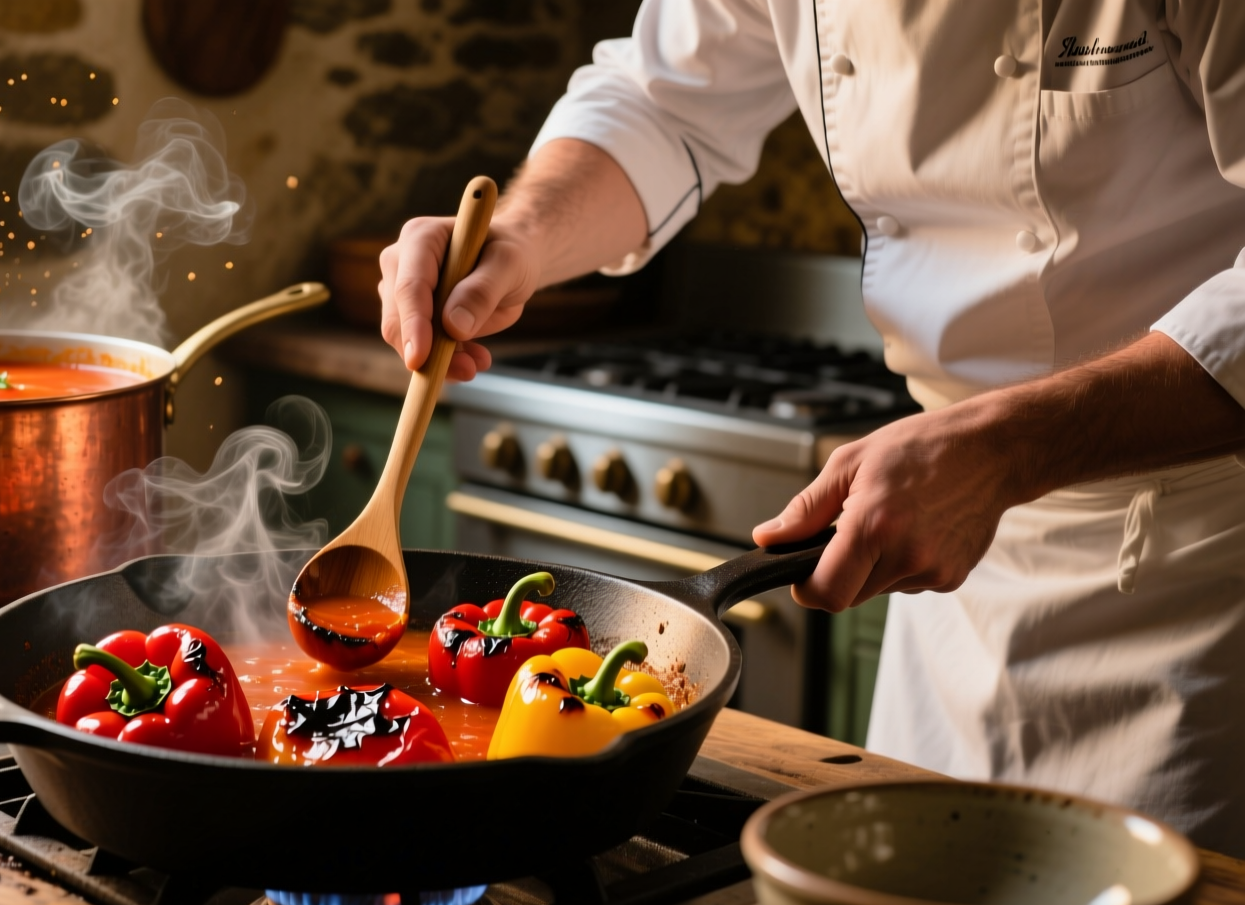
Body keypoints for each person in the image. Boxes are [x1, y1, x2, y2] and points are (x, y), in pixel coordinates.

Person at [377, 1, 1245, 854]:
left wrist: (1008, 447)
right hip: (948, 580)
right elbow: (661, 102)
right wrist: (522, 234)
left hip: (1193, 562)